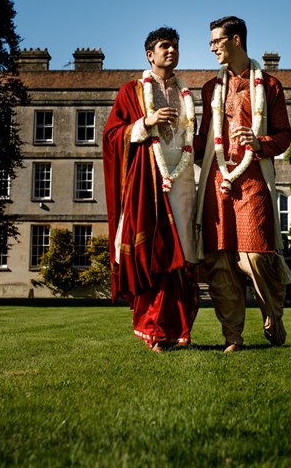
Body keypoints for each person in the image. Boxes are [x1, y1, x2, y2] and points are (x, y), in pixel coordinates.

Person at [195, 16, 291, 353]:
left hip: (252, 178)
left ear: (235, 40)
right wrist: (168, 145)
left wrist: (258, 140)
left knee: (254, 255)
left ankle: (273, 313)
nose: (211, 48)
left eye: (216, 41)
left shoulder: (270, 85)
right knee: (220, 261)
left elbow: (284, 137)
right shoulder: (210, 89)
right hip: (217, 179)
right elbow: (203, 139)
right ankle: (233, 336)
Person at [103, 26, 199, 352]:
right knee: (156, 260)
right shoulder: (131, 92)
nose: (171, 51)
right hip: (149, 183)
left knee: (181, 263)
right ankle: (154, 333)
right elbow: (112, 136)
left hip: (182, 184)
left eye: (174, 46)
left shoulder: (186, 93)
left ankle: (178, 333)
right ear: (150, 54)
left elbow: (192, 141)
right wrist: (146, 122)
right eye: (164, 46)